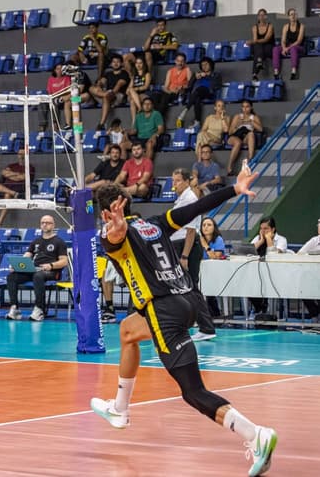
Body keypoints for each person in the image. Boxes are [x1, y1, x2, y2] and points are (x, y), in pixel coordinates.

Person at [90, 165, 278, 477]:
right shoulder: (154, 223)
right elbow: (195, 208)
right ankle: (120, 410)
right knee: (127, 332)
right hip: (189, 299)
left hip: (164, 311)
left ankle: (256, 435)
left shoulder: (114, 233)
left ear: (106, 213)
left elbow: (115, 237)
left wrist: (116, 229)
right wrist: (234, 188)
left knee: (193, 392)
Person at [169, 168, 216, 341]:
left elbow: (190, 231)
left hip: (186, 246)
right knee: (182, 288)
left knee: (191, 288)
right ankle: (190, 323)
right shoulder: (182, 199)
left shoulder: (189, 199)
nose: (174, 184)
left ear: (187, 181)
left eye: (178, 180)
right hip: (179, 244)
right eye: (173, 181)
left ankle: (206, 327)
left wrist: (184, 256)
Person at [5, 215, 68, 321]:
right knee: (12, 277)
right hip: (35, 270)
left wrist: (51, 265)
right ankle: (14, 308)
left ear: (53, 225)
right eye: (42, 222)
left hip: (51, 272)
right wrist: (17, 266)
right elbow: (27, 255)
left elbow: (64, 261)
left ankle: (39, 309)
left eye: (47, 223)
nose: (44, 224)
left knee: (38, 276)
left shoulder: (59, 242)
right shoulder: (36, 241)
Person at [247, 216, 287, 318]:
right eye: (261, 229)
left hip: (275, 275)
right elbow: (249, 251)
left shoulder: (281, 240)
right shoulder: (257, 238)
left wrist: (268, 238)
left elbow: (273, 254)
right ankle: (260, 308)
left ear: (273, 229)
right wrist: (261, 241)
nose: (263, 231)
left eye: (266, 229)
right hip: (257, 273)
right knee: (246, 284)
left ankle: (264, 309)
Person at [175, 56, 221, 129]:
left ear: (210, 65)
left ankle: (184, 112)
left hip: (209, 93)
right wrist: (194, 78)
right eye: (202, 65)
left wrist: (207, 76)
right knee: (197, 99)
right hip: (197, 93)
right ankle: (197, 122)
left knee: (200, 89)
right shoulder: (197, 74)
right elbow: (189, 86)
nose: (204, 66)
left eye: (206, 64)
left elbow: (217, 86)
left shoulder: (216, 75)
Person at [89, 54, 129, 131]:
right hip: (106, 95)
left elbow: (119, 84)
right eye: (114, 62)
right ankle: (105, 94)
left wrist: (112, 92)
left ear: (121, 63)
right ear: (111, 64)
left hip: (117, 96)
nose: (116, 63)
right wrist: (99, 85)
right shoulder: (108, 74)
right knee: (91, 88)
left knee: (107, 96)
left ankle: (101, 124)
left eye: (118, 62)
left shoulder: (124, 73)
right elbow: (102, 82)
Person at [121, 96, 163, 162]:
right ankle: (122, 165)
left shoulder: (156, 114)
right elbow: (134, 131)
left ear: (152, 106)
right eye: (145, 104)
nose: (147, 106)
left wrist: (155, 135)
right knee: (122, 145)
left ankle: (146, 166)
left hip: (151, 138)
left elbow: (161, 129)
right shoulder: (138, 116)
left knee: (149, 144)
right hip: (139, 140)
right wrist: (126, 132)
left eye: (149, 104)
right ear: (142, 106)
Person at [226, 100, 263, 176]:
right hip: (234, 137)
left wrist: (251, 122)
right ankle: (229, 167)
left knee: (251, 134)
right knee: (238, 142)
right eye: (243, 107)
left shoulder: (254, 117)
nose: (245, 109)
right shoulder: (237, 117)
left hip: (245, 137)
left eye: (247, 107)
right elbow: (230, 132)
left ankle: (250, 159)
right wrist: (238, 125)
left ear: (251, 107)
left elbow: (261, 129)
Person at [151, 52, 191, 120]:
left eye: (182, 61)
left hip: (179, 92)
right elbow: (166, 86)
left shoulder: (187, 70)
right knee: (155, 96)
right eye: (178, 61)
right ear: (175, 61)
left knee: (165, 98)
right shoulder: (170, 71)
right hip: (169, 91)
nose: (180, 63)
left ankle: (158, 119)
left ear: (184, 62)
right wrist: (169, 91)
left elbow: (190, 85)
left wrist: (182, 87)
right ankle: (156, 116)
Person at [199, 217, 225, 318]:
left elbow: (215, 257)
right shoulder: (197, 239)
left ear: (214, 228)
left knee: (209, 292)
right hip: (201, 271)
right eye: (204, 225)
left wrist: (205, 245)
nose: (206, 227)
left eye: (209, 225)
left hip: (215, 273)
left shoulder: (218, 240)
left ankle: (215, 314)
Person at [297, 218, 320, 321]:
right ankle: (315, 314)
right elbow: (300, 253)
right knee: (303, 288)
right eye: (318, 225)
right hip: (313, 275)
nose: (319, 227)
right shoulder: (314, 240)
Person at [272, 8, 305, 80]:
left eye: (294, 14)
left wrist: (288, 48)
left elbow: (299, 41)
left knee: (293, 48)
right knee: (276, 49)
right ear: (289, 17)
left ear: (297, 16)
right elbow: (283, 40)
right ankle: (276, 72)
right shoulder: (286, 27)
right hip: (287, 47)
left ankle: (294, 71)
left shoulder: (301, 26)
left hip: (299, 47)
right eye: (291, 14)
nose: (293, 16)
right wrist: (284, 48)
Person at [45, 63, 73, 130]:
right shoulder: (51, 79)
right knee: (44, 103)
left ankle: (68, 125)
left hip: (69, 99)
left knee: (69, 102)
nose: (60, 70)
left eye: (61, 69)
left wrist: (60, 96)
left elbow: (69, 91)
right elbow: (49, 92)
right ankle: (44, 126)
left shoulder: (68, 78)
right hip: (57, 99)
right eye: (58, 69)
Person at [249, 8, 275, 81]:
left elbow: (266, 39)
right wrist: (253, 42)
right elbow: (255, 39)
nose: (262, 17)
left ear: (266, 16)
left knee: (257, 49)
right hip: (259, 48)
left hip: (269, 47)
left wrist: (252, 42)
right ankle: (259, 62)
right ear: (258, 17)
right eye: (260, 15)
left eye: (263, 15)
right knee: (258, 46)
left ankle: (255, 74)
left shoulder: (270, 26)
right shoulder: (254, 27)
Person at [126, 57, 151, 123]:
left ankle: (134, 122)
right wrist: (131, 90)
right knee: (131, 90)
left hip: (143, 94)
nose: (138, 65)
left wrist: (136, 88)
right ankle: (140, 107)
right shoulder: (134, 75)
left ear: (144, 64)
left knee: (132, 102)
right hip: (133, 94)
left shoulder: (147, 74)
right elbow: (128, 89)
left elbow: (146, 86)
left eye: (140, 63)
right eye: (137, 63)